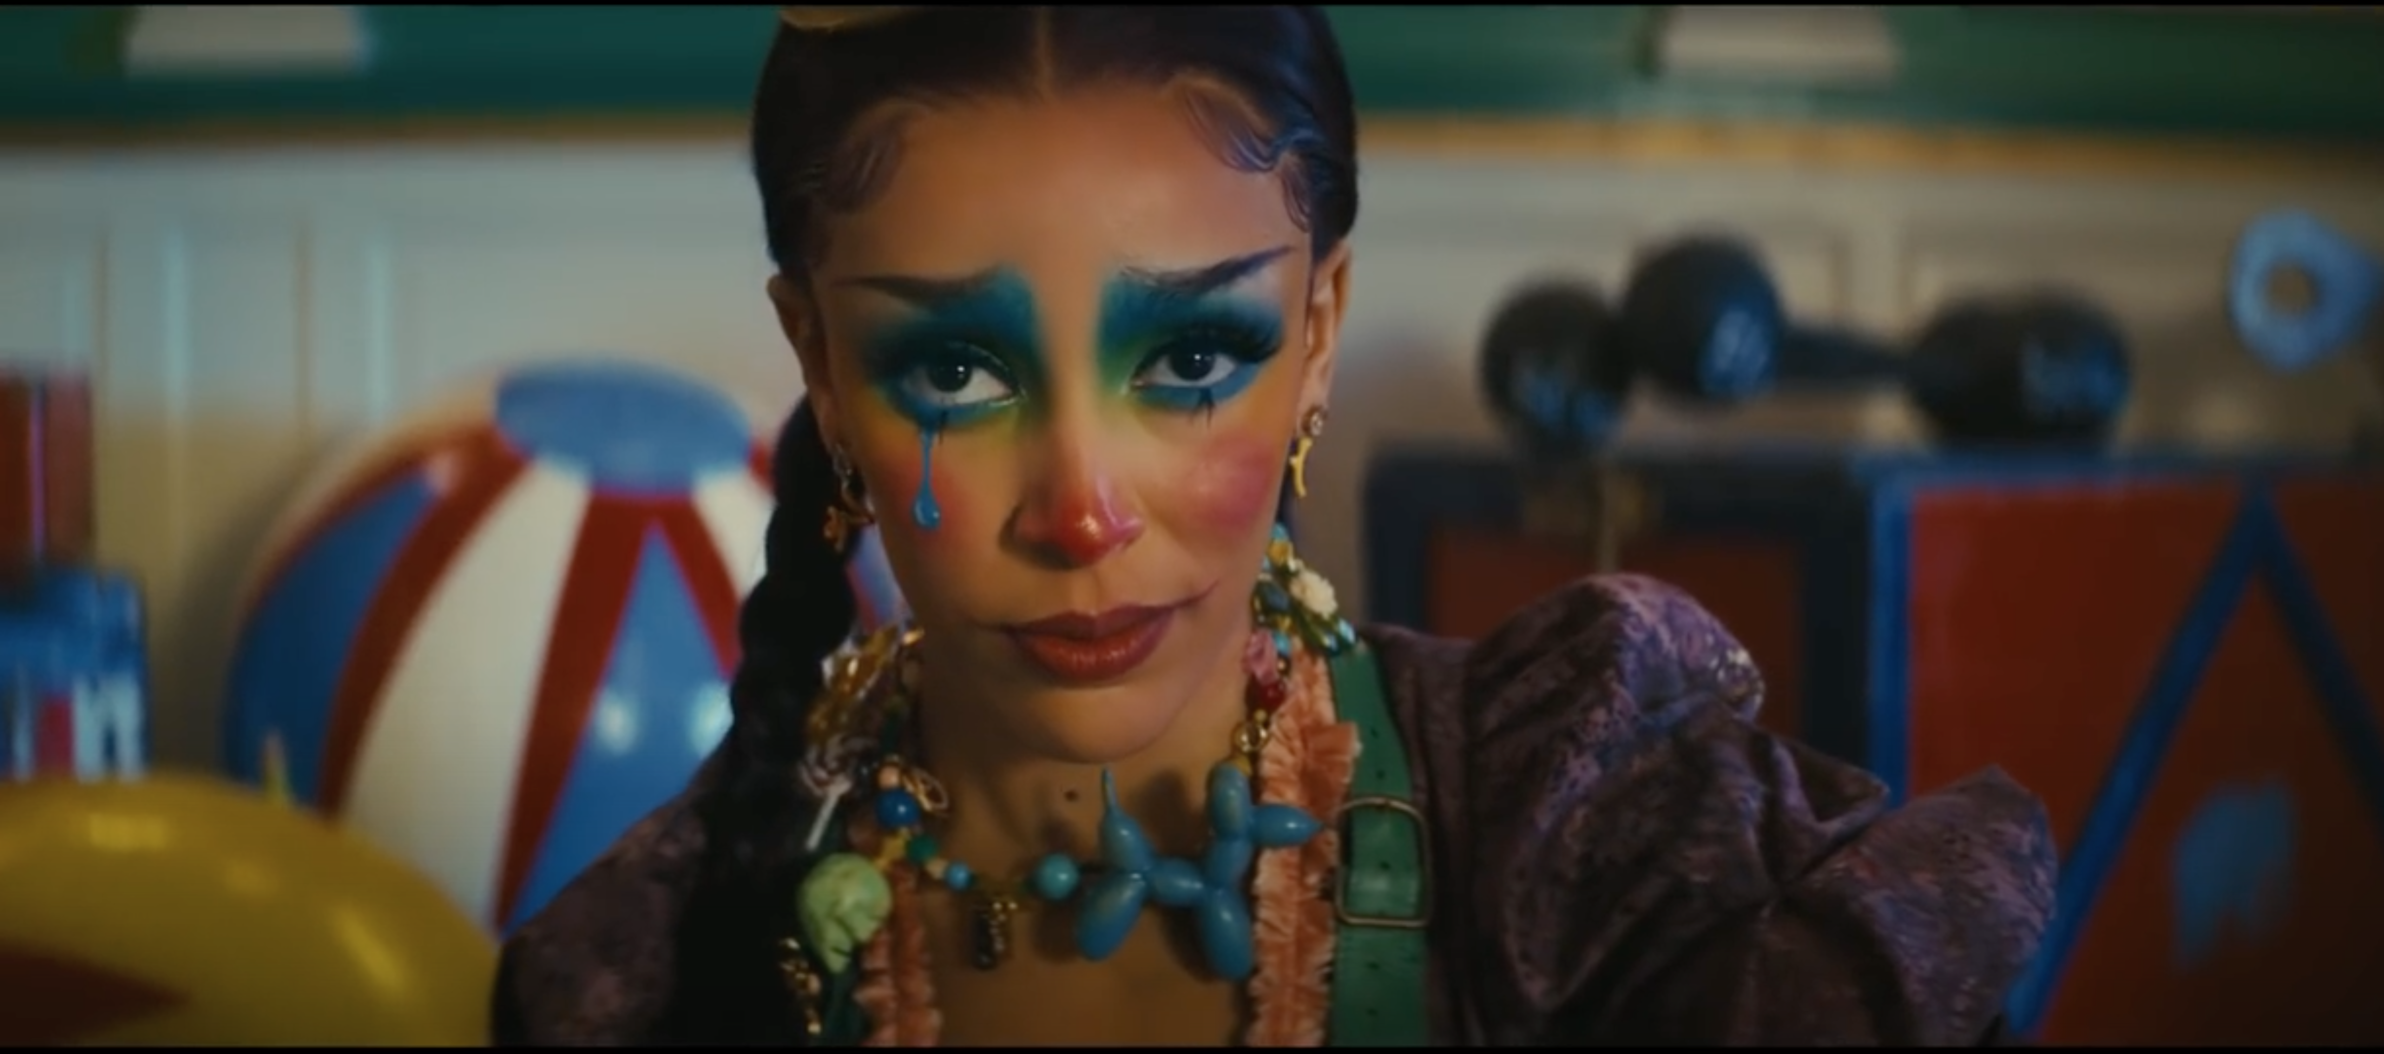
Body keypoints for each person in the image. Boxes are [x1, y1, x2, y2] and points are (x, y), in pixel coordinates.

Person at [492, 6, 2056, 1046]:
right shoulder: (657, 956)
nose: (1083, 508)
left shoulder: (1577, 842)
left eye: (1189, 359)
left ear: (1316, 333)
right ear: (824, 367)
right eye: (956, 369)